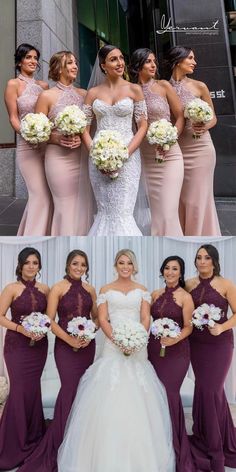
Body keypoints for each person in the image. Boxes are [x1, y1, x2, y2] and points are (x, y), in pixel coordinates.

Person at [57, 249, 175, 472]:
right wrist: (118, 340)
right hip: (113, 346)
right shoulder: (105, 290)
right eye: (121, 262)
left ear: (134, 266)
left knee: (140, 396)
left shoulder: (142, 291)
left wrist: (137, 338)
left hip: (137, 347)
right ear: (115, 265)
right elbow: (101, 318)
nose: (125, 266)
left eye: (129, 263)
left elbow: (144, 318)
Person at [18, 249, 97, 472]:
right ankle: (60, 439)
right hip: (65, 346)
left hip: (86, 346)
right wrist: (70, 339)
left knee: (83, 390)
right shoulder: (58, 288)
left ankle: (79, 439)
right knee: (70, 388)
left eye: (83, 265)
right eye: (75, 264)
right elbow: (49, 320)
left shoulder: (90, 289)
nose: (79, 268)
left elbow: (97, 318)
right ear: (67, 265)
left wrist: (90, 332)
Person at [82, 45, 148, 236]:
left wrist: (124, 154)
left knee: (123, 212)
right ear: (103, 65)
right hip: (98, 156)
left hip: (129, 155)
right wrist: (96, 156)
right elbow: (84, 130)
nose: (120, 63)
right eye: (113, 59)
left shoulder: (134, 89)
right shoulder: (93, 93)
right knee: (105, 211)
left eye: (121, 58)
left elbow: (143, 125)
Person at [185, 244, 236, 472]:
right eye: (199, 258)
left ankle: (217, 447)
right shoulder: (189, 284)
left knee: (212, 389)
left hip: (220, 344)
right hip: (197, 344)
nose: (202, 261)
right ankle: (208, 435)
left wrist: (223, 327)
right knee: (205, 389)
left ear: (214, 261)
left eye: (207, 257)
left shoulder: (226, 284)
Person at [0, 247, 49, 470]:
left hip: (38, 345)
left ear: (39, 266)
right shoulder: (11, 288)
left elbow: (49, 318)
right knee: (19, 390)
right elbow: (0, 316)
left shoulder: (45, 289)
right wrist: (21, 328)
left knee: (32, 389)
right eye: (27, 262)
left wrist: (42, 330)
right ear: (20, 265)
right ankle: (13, 443)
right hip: (17, 345)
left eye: (35, 263)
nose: (31, 266)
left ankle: (33, 435)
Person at [35, 51, 94, 235]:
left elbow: (90, 127)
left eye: (75, 62)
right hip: (57, 158)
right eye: (69, 63)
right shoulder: (46, 96)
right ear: (58, 68)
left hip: (81, 157)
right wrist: (56, 138)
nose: (75, 66)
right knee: (64, 206)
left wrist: (82, 135)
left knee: (83, 204)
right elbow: (36, 131)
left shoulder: (84, 94)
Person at [129, 48, 184, 236]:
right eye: (148, 62)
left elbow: (180, 117)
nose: (153, 65)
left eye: (154, 61)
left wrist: (170, 137)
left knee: (168, 211)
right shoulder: (130, 90)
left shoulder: (163, 86)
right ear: (138, 66)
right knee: (157, 211)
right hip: (147, 155)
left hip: (171, 154)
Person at [148, 256, 196, 471]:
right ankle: (157, 443)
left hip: (177, 352)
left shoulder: (186, 297)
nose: (170, 272)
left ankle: (174, 443)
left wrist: (175, 338)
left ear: (181, 272)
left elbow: (188, 326)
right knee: (155, 393)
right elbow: (143, 318)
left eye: (174, 269)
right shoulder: (155, 294)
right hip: (154, 350)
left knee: (169, 393)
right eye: (167, 268)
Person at [167, 46, 221, 236]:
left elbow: (213, 117)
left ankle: (199, 238)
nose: (194, 62)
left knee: (197, 200)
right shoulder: (165, 87)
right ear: (178, 60)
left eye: (194, 58)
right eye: (190, 58)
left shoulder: (200, 86)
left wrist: (205, 125)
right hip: (177, 150)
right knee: (180, 199)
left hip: (201, 149)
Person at [4, 43, 53, 235]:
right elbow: (13, 117)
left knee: (47, 194)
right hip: (27, 146)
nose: (33, 61)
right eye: (28, 57)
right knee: (39, 194)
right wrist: (28, 135)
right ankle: (33, 235)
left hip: (47, 146)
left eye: (35, 58)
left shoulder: (44, 86)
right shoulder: (13, 85)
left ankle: (37, 232)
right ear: (19, 61)